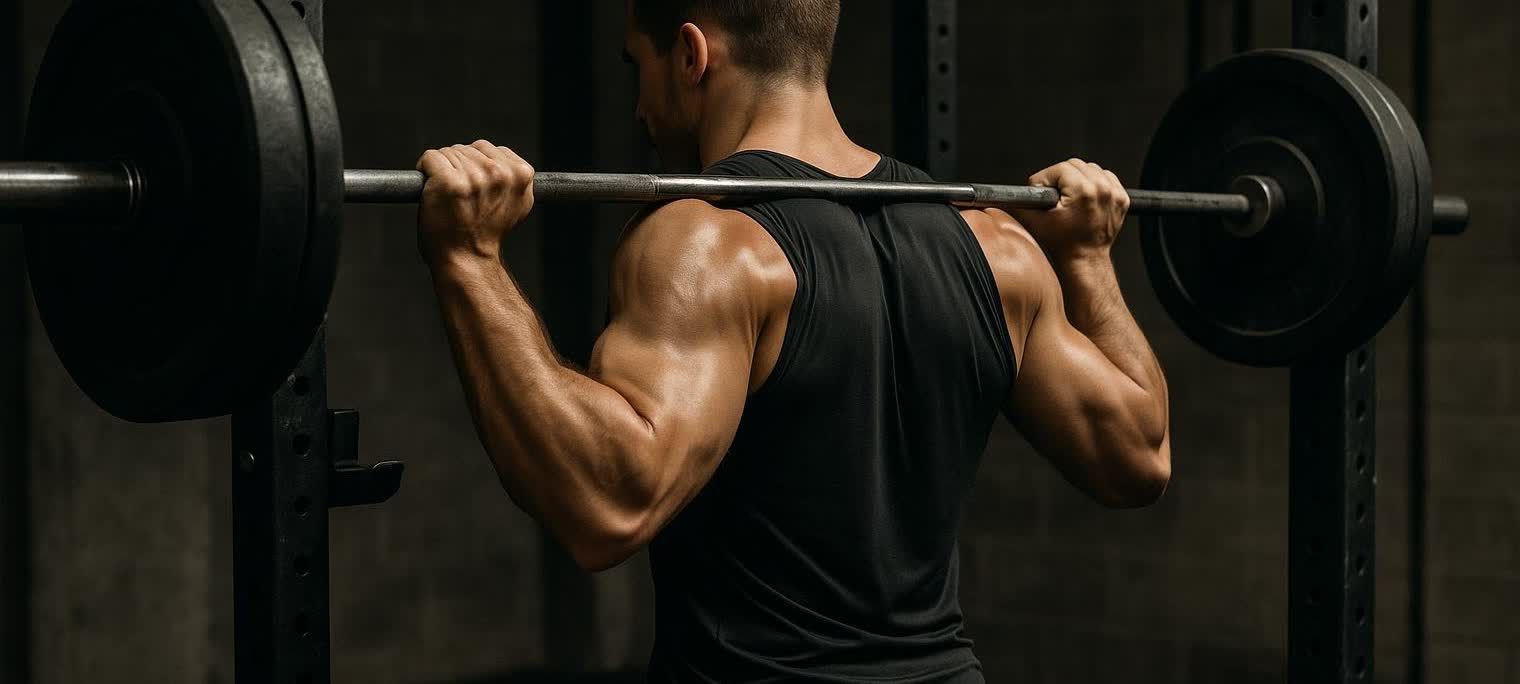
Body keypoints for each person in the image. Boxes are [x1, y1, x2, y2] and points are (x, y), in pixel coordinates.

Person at [413, 0, 1170, 680]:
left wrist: (470, 262)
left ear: (690, 54)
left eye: (635, 68)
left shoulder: (709, 244)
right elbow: (1139, 453)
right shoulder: (997, 248)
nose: (639, 107)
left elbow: (608, 504)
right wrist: (1086, 258)